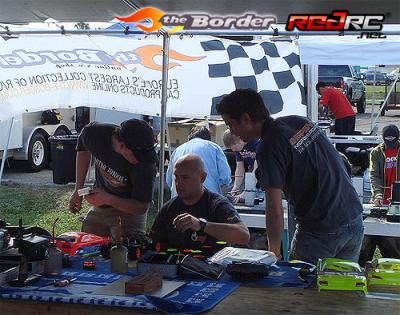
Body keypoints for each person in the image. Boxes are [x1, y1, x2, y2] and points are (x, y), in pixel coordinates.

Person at [217, 88, 364, 264]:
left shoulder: (269, 147)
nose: (232, 132)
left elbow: (274, 207)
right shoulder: (298, 122)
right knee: (342, 287)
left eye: (230, 125)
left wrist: (273, 252)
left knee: (298, 288)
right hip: (353, 218)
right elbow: (340, 162)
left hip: (321, 230)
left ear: (246, 119)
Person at [68, 119, 157, 239]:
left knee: (126, 253)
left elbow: (141, 207)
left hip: (129, 212)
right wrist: (78, 190)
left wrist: (108, 199)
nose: (142, 159)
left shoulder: (145, 166)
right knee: (87, 245)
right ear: (121, 145)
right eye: (138, 155)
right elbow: (83, 148)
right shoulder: (96, 133)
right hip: (100, 208)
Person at [151, 154, 250, 249]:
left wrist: (202, 225)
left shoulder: (216, 205)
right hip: (175, 264)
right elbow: (153, 244)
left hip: (211, 265)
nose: (178, 183)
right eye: (176, 177)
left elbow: (243, 236)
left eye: (185, 177)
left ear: (202, 177)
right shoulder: (168, 209)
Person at [359, 124, 400, 264]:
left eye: (393, 142)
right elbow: (374, 175)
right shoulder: (376, 152)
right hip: (382, 201)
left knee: (394, 238)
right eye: (388, 142)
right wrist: (377, 195)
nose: (390, 145)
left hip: (397, 201)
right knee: (371, 235)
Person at [166, 126, 231, 197]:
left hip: (180, 198)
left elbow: (169, 179)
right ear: (208, 138)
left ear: (189, 137)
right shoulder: (214, 147)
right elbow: (225, 175)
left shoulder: (177, 150)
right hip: (208, 198)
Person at [223, 129, 260, 200]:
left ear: (240, 139)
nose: (233, 150)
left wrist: (247, 191)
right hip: (253, 170)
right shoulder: (238, 149)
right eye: (231, 148)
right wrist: (236, 187)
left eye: (234, 147)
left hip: (264, 171)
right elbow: (239, 167)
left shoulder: (257, 142)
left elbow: (257, 168)